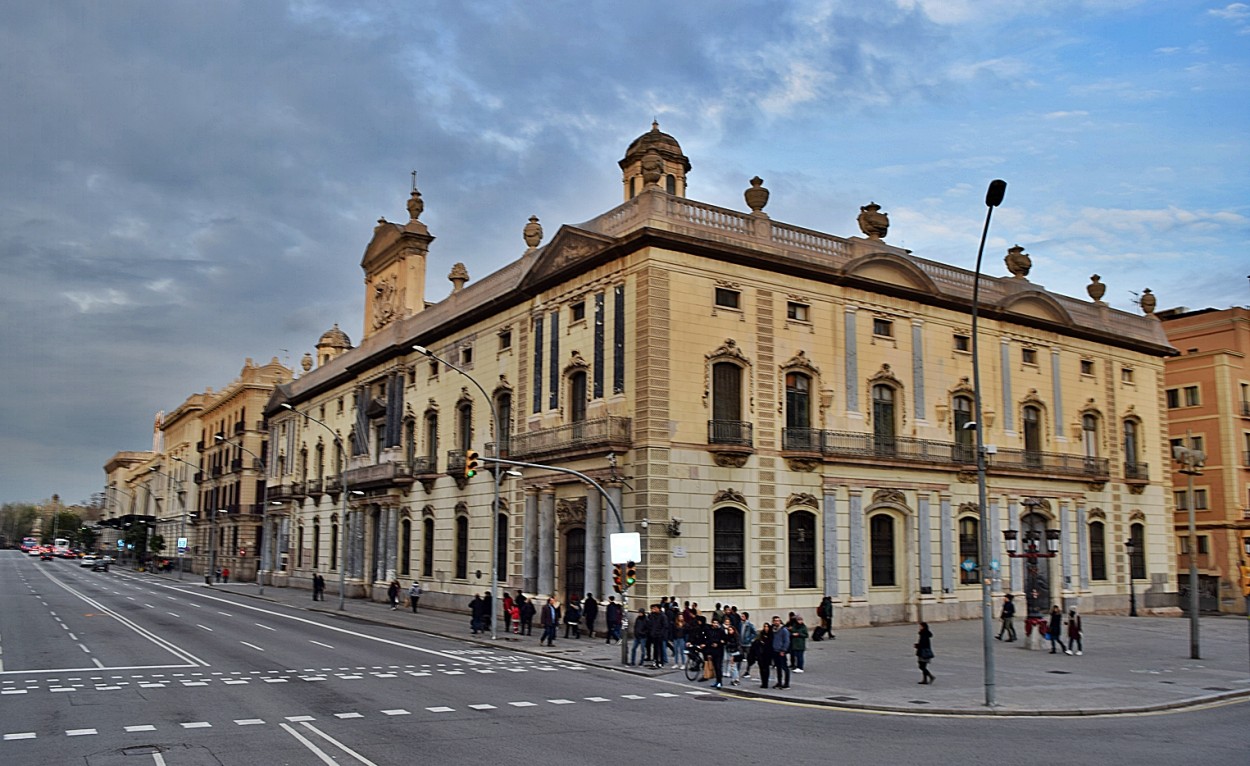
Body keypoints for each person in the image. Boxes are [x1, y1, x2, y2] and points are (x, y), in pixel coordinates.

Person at [702, 618, 727, 689]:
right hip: (712, 650)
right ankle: (717, 681)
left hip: (719, 651)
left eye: (716, 623)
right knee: (715, 667)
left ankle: (720, 682)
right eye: (714, 623)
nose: (715, 624)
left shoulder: (721, 631)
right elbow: (707, 640)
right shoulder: (709, 631)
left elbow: (724, 640)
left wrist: (718, 643)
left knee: (719, 667)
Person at [770, 615, 791, 689]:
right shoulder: (773, 630)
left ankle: (786, 683)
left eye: (778, 621)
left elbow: (787, 641)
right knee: (778, 668)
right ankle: (779, 682)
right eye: (775, 621)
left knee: (784, 667)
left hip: (781, 651)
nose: (776, 622)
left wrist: (783, 650)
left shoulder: (784, 630)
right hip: (775, 651)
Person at [754, 623, 775, 688]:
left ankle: (766, 683)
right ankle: (763, 682)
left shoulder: (771, 635)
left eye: (767, 627)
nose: (766, 628)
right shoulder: (761, 634)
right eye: (765, 626)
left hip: (768, 654)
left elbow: (771, 644)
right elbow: (756, 642)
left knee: (766, 668)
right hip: (760, 654)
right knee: (761, 668)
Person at [723, 620, 742, 686]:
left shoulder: (735, 636)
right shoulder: (728, 637)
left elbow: (737, 644)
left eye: (731, 630)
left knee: (733, 667)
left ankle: (735, 679)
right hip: (730, 652)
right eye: (729, 630)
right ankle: (735, 679)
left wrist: (729, 644)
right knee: (733, 667)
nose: (730, 631)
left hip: (735, 652)